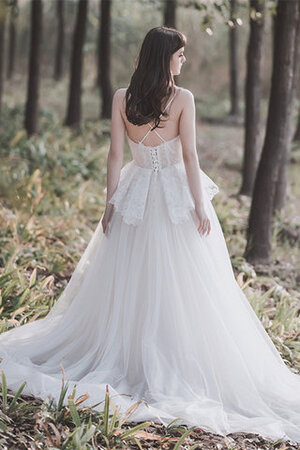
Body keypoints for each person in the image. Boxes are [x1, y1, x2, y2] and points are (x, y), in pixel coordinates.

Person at [0, 26, 300, 443]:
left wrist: (113, 202)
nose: (183, 61)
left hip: (136, 194)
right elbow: (190, 156)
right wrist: (198, 205)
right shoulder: (183, 99)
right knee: (183, 281)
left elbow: (116, 156)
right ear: (165, 58)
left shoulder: (123, 97)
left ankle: (143, 354)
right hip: (174, 196)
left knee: (136, 278)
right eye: (179, 55)